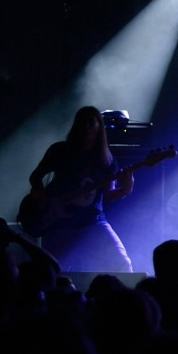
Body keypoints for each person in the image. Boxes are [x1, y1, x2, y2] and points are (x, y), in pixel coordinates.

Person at [26, 106, 134, 272]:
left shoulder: (107, 160)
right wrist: (41, 196)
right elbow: (36, 176)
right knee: (52, 273)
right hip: (58, 222)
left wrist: (125, 190)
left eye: (91, 122)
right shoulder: (59, 150)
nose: (86, 127)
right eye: (82, 122)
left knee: (123, 266)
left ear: (99, 127)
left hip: (92, 221)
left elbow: (108, 196)